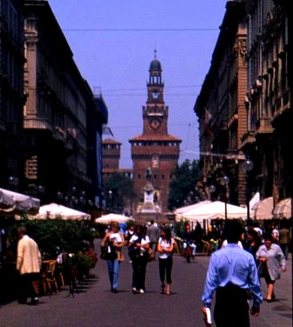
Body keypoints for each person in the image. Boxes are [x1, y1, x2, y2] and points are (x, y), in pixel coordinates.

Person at [201, 220, 262, 327]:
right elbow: (255, 283)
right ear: (240, 235)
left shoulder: (216, 256)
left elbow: (210, 282)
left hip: (222, 299)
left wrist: (206, 304)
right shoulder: (248, 257)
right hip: (240, 300)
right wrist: (256, 303)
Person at [256, 234, 286, 302]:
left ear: (271, 241)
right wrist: (260, 259)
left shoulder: (276, 247)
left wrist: (283, 265)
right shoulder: (261, 247)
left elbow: (281, 257)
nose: (267, 242)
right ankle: (272, 295)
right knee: (268, 281)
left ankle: (268, 296)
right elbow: (257, 256)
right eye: (266, 240)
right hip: (264, 268)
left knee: (271, 281)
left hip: (273, 267)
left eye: (268, 240)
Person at [16, 226, 42, 305]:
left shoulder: (21, 242)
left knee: (24, 284)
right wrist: (39, 266)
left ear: (21, 233)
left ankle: (23, 299)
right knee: (33, 283)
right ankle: (34, 297)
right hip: (35, 267)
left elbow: (20, 256)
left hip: (26, 267)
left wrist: (17, 267)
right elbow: (39, 256)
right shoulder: (33, 242)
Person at [100, 221, 124, 293]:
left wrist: (117, 245)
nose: (115, 229)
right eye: (114, 227)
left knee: (115, 271)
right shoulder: (108, 234)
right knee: (110, 271)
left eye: (116, 227)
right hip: (109, 254)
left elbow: (123, 242)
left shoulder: (120, 234)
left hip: (117, 254)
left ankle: (114, 287)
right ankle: (112, 284)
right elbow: (102, 245)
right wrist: (106, 238)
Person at [128, 224, 150, 294]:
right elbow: (129, 245)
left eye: (139, 230)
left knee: (142, 271)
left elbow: (148, 247)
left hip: (143, 255)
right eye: (137, 230)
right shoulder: (133, 237)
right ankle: (134, 286)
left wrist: (140, 245)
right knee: (135, 270)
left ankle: (141, 286)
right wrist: (134, 244)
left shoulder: (145, 237)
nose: (138, 231)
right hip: (135, 255)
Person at [157, 226, 176, 295]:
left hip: (168, 258)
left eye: (163, 232)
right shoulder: (160, 239)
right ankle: (162, 283)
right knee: (161, 273)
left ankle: (168, 289)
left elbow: (171, 250)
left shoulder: (171, 240)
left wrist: (164, 249)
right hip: (161, 258)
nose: (162, 233)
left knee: (168, 273)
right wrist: (166, 249)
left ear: (166, 233)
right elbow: (158, 249)